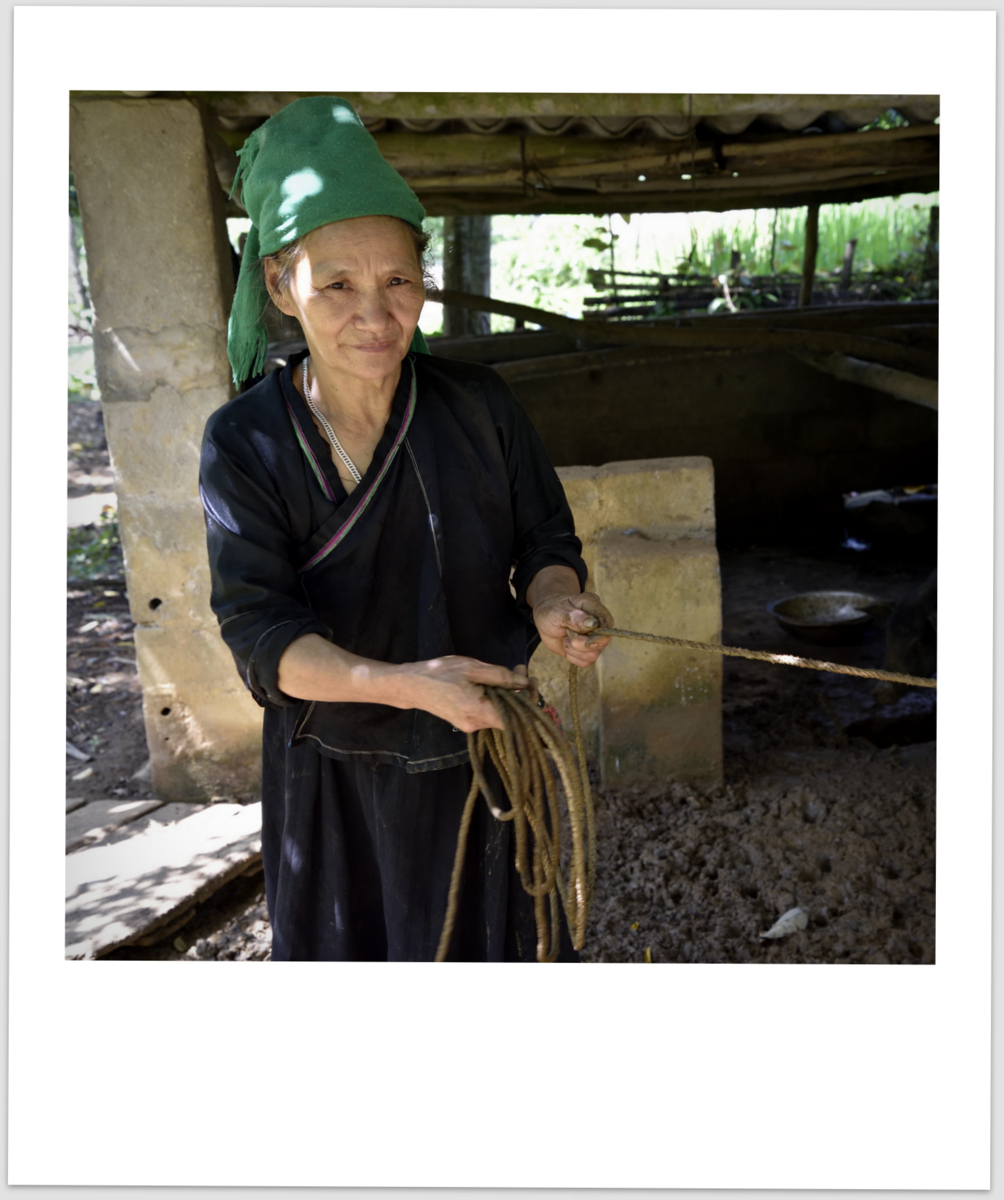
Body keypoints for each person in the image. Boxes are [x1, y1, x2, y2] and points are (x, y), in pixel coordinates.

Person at [199, 96, 613, 961]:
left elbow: (545, 543)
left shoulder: (479, 407)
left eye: (398, 280)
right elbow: (262, 638)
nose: (376, 314)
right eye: (337, 285)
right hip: (335, 781)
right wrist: (407, 684)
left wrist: (555, 603)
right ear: (279, 287)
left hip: (486, 754)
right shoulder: (247, 441)